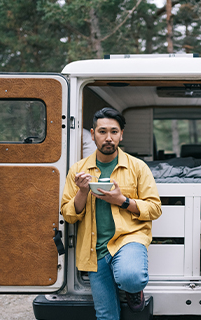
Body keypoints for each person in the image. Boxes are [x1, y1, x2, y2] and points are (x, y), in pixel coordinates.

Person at [61, 107, 162, 320]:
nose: (108, 138)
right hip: (94, 250)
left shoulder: (138, 167)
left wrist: (122, 201)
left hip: (128, 240)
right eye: (102, 131)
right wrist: (82, 191)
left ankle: (133, 289)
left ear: (121, 135)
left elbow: (154, 208)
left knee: (131, 278)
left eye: (114, 132)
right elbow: (69, 216)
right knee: (106, 315)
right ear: (92, 134)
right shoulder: (78, 170)